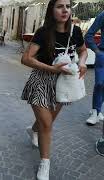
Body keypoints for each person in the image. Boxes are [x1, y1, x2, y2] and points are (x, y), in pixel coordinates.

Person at [21, 0, 87, 179]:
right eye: (60, 6)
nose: (65, 10)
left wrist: (82, 63)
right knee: (47, 124)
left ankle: (33, 129)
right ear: (52, 10)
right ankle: (45, 163)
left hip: (63, 84)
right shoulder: (43, 32)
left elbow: (83, 50)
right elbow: (26, 59)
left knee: (46, 122)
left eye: (67, 6)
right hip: (42, 80)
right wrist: (52, 69)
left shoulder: (76, 31)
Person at [84, 11, 104, 156]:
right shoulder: (103, 15)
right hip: (103, 55)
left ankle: (98, 111)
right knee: (99, 83)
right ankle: (95, 111)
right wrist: (97, 51)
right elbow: (89, 35)